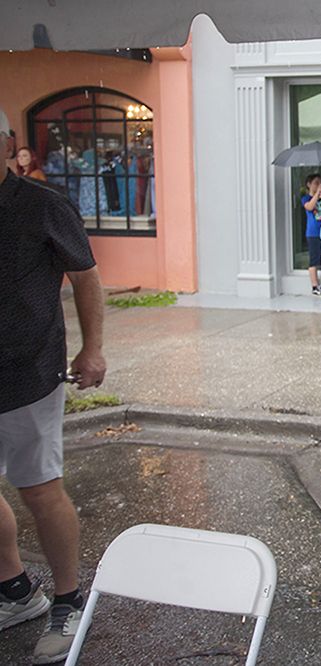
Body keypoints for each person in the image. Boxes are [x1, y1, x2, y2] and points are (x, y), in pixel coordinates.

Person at [0, 109, 107, 664]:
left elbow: (85, 275)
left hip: (28, 374)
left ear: (7, 146)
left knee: (39, 489)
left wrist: (92, 348)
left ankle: (68, 600)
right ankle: (17, 590)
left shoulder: (42, 204)